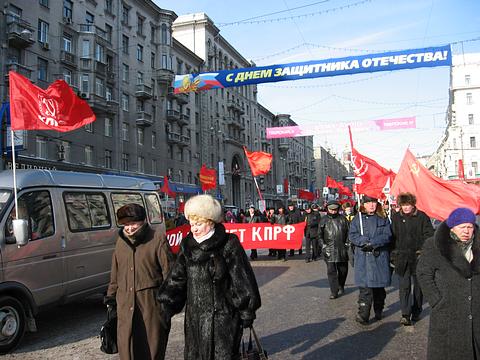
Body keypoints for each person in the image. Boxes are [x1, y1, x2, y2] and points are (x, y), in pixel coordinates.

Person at [157, 194, 261, 360]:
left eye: (198, 223)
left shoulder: (229, 244)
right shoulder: (188, 246)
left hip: (223, 321)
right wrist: (166, 304)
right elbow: (176, 279)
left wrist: (247, 310)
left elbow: (242, 280)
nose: (193, 228)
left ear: (211, 222)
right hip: (195, 322)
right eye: (191, 223)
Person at [105, 203, 174, 360]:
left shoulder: (157, 239)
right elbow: (115, 274)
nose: (129, 228)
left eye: (133, 223)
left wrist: (166, 305)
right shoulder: (121, 242)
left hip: (150, 307)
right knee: (127, 351)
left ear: (143, 221)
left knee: (151, 350)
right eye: (126, 224)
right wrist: (111, 299)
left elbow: (169, 274)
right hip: (124, 306)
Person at [417, 207, 479, 360]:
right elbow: (424, 273)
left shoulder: (477, 245)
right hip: (447, 309)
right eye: (462, 227)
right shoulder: (434, 245)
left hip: (476, 309)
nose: (466, 231)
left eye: (470, 227)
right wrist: (436, 299)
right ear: (452, 227)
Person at [391, 192, 434, 326]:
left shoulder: (422, 216)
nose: (406, 207)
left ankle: (416, 310)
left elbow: (429, 235)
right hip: (402, 257)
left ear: (413, 204)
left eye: (408, 204)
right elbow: (392, 237)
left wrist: (423, 250)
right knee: (404, 287)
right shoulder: (396, 217)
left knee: (418, 287)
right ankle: (405, 314)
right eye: (403, 205)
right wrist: (393, 254)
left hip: (418, 256)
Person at [349, 196, 392, 325]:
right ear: (363, 205)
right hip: (363, 259)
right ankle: (363, 314)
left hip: (379, 258)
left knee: (379, 289)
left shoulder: (383, 219)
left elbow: (387, 235)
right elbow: (352, 235)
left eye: (373, 202)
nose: (371, 205)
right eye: (368, 203)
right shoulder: (358, 220)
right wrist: (363, 242)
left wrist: (373, 243)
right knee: (365, 289)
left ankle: (378, 309)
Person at [319, 200, 350, 298]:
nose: (333, 211)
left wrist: (347, 244)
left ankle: (341, 284)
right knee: (331, 271)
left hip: (341, 249)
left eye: (335, 209)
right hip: (329, 249)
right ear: (327, 209)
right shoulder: (323, 220)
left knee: (343, 270)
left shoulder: (343, 219)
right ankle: (334, 291)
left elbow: (349, 233)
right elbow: (319, 235)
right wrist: (323, 246)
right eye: (331, 209)